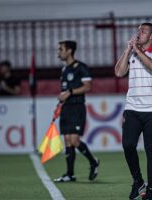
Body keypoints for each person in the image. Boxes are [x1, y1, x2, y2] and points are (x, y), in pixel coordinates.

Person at [115, 22, 152, 200]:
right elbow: (119, 72)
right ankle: (138, 182)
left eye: (143, 31)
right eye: (138, 30)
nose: (138, 33)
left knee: (151, 149)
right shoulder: (133, 53)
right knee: (128, 145)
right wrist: (128, 50)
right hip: (132, 108)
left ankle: (151, 191)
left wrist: (138, 51)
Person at [54, 40, 99, 182]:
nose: (58, 52)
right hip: (66, 107)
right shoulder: (64, 69)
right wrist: (62, 98)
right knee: (67, 140)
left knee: (74, 140)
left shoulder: (81, 67)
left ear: (69, 51)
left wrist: (70, 92)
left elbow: (87, 87)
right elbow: (65, 90)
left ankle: (93, 162)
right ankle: (70, 174)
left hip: (77, 107)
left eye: (61, 49)